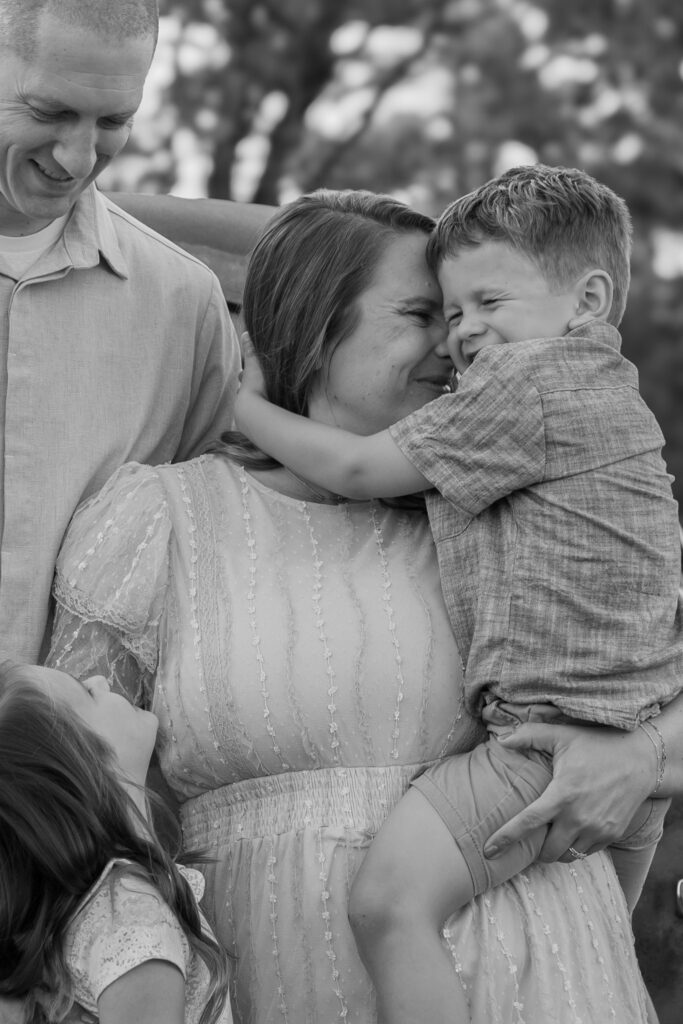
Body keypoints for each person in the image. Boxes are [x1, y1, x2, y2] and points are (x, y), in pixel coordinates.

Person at [46, 187, 656, 1023]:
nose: (458, 341)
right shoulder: (161, 518)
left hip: (559, 979)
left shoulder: (515, 499)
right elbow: (59, 797)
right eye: (425, 313)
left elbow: (654, 662)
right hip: (280, 978)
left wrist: (643, 753)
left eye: (469, 309)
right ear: (313, 322)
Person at [234, 167, 682, 1020]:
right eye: (443, 312)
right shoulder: (611, 404)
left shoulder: (525, 385)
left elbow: (358, 470)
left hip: (545, 742)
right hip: (638, 756)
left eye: (486, 303)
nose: (461, 334)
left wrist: (237, 402)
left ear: (588, 300)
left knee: (388, 905)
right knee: (595, 945)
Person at [0, 0, 271, 663]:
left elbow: (210, 554)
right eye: (49, 112)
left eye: (113, 122)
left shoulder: (185, 303)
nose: (77, 158)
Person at [0, 661, 232, 1024]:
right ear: (83, 766)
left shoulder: (96, 911)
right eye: (87, 693)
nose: (99, 679)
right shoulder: (133, 921)